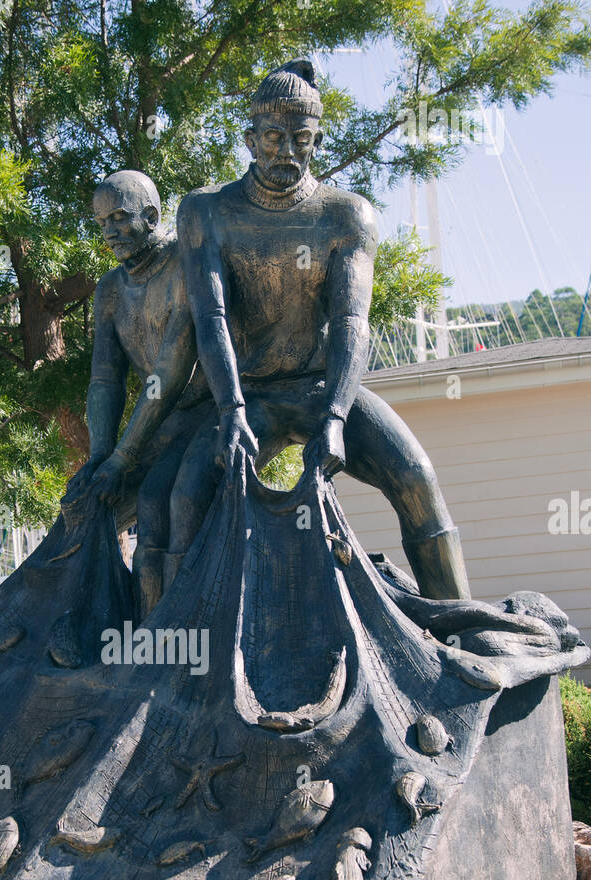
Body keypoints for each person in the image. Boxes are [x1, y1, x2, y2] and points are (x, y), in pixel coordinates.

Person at [170, 57, 470, 600]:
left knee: (418, 478)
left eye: (300, 138)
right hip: (249, 396)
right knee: (186, 498)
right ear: (249, 138)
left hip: (319, 388)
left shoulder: (346, 215)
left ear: (318, 139)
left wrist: (335, 415)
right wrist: (231, 410)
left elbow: (354, 321)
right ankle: (171, 648)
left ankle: (464, 628)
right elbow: (210, 318)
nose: (286, 151)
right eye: (273, 137)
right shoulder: (206, 212)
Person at [63, 170, 207, 614]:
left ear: (152, 215)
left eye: (120, 218)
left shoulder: (189, 263)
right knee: (79, 506)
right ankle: (89, 622)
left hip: (208, 411)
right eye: (102, 222)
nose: (109, 232)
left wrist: (124, 459)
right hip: (156, 424)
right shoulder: (108, 290)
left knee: (160, 503)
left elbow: (170, 371)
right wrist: (102, 454)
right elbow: (104, 378)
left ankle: (169, 633)